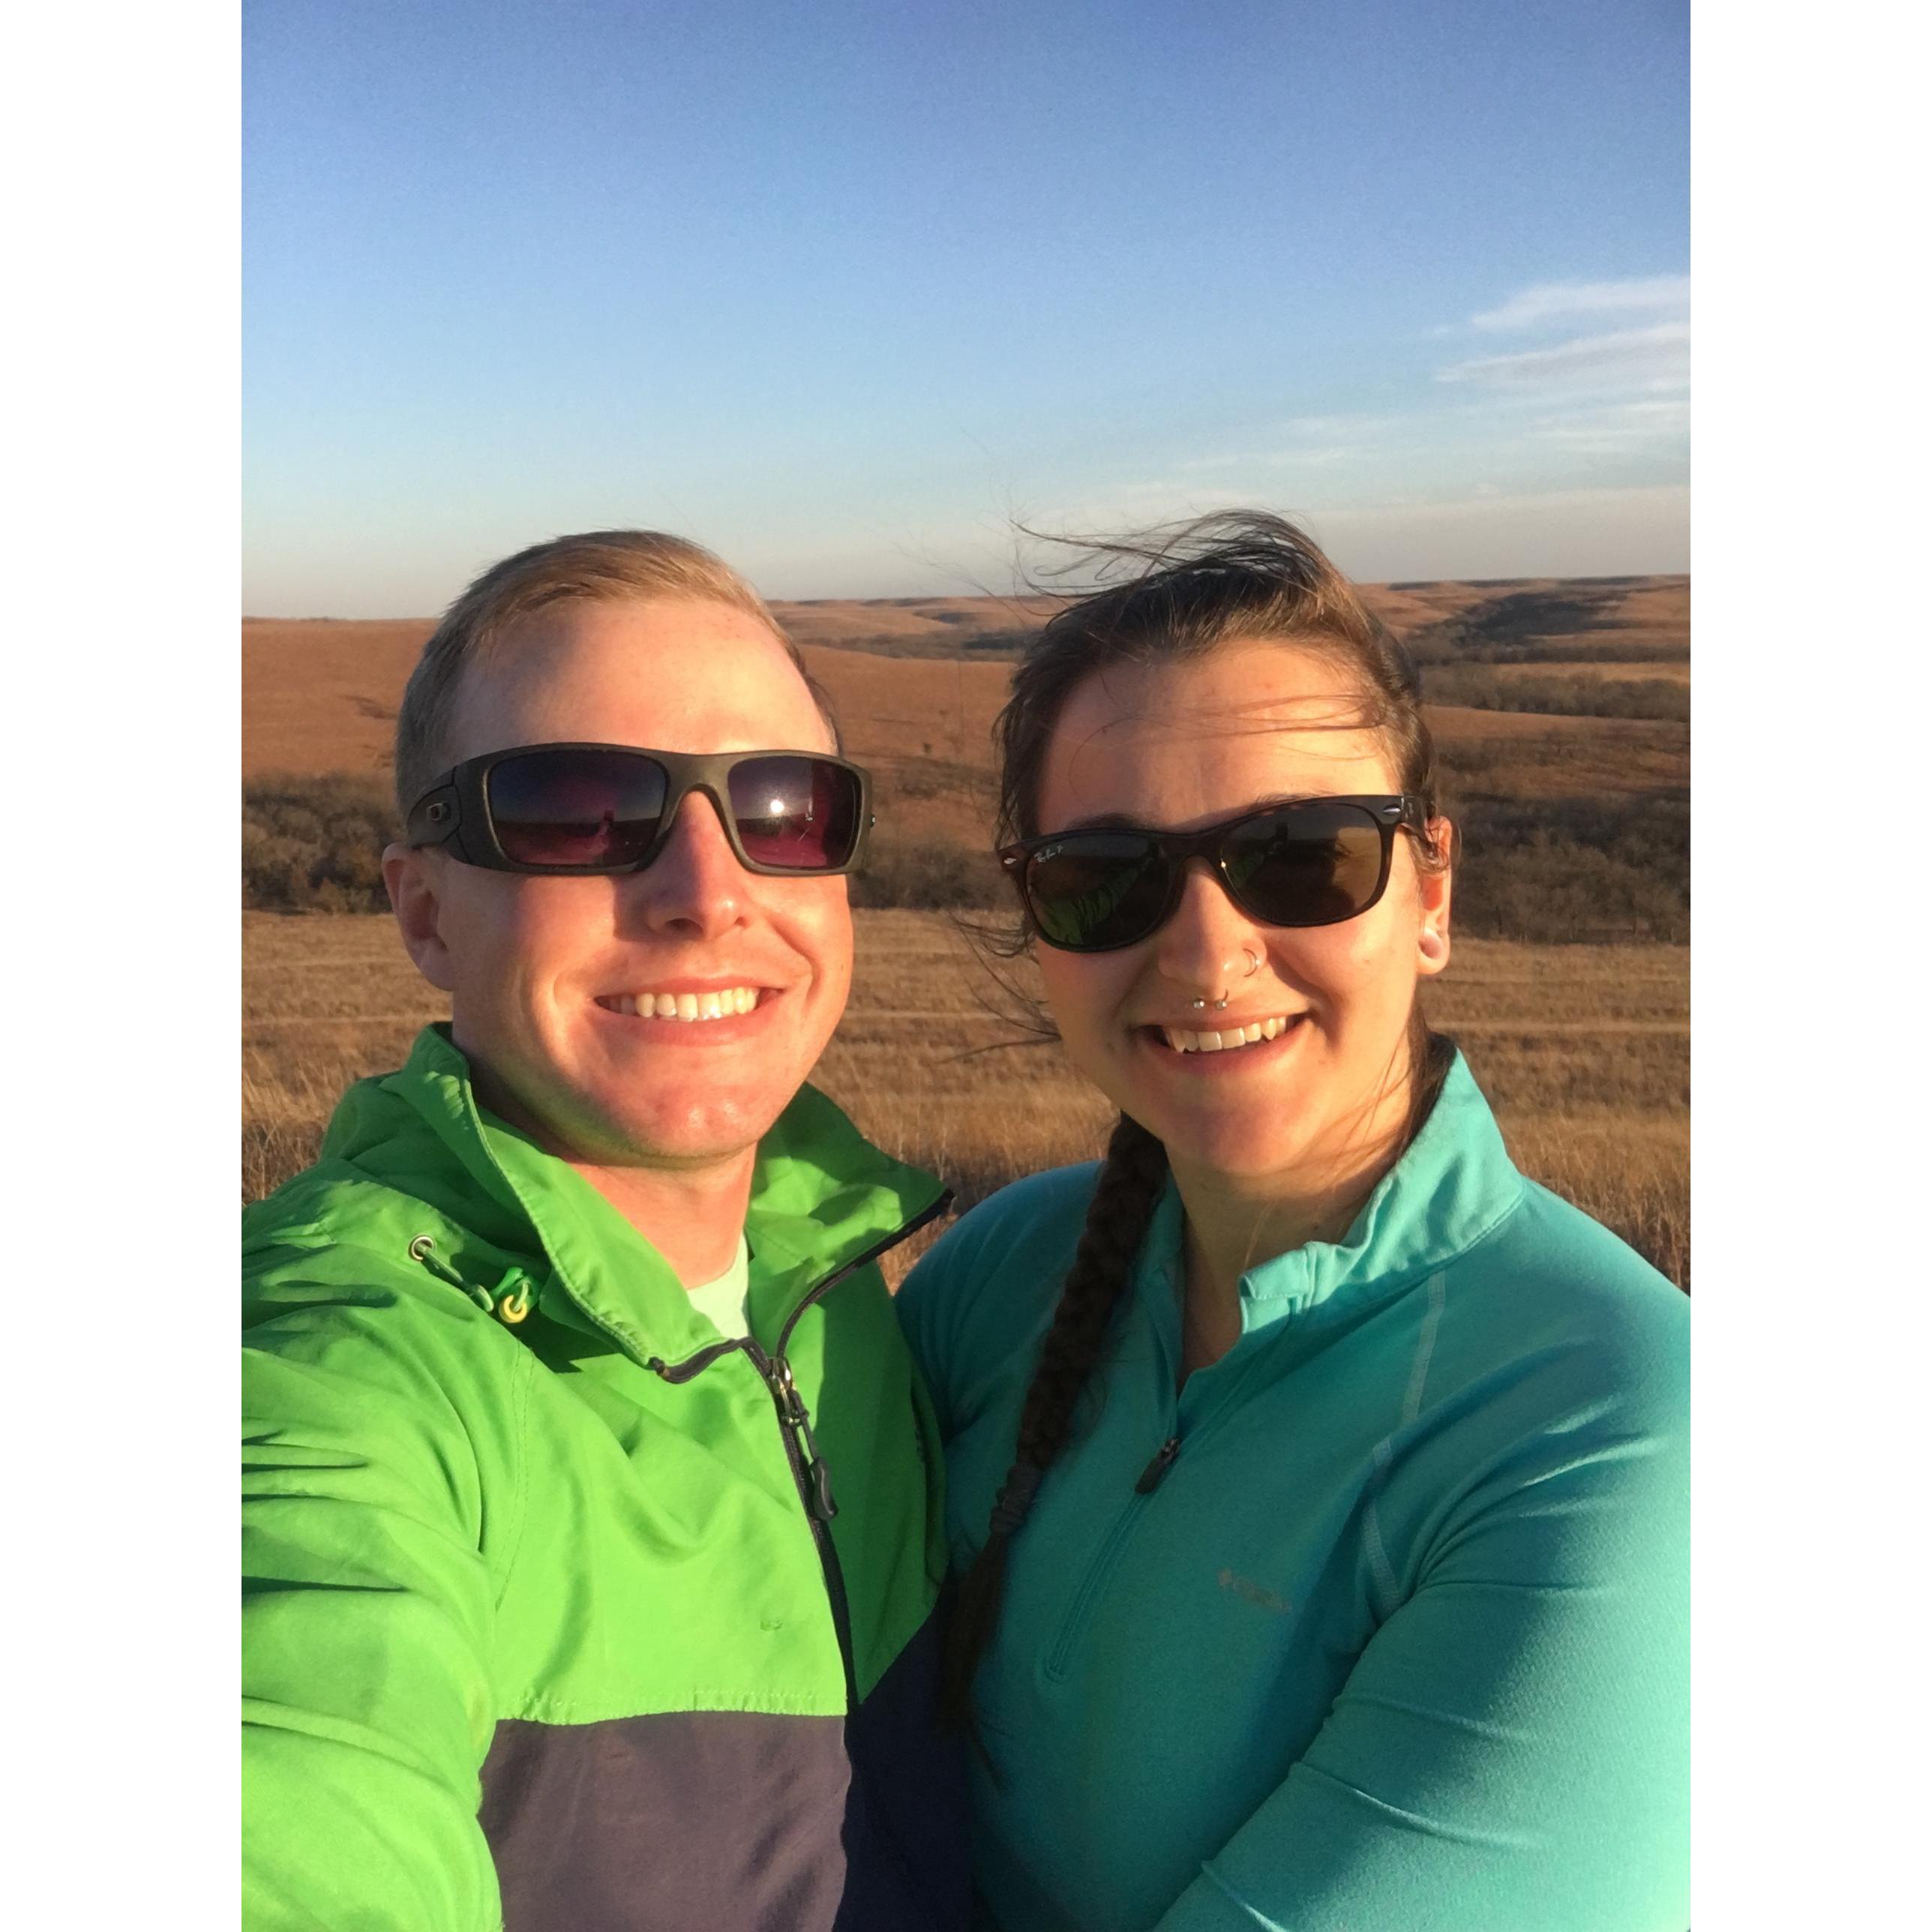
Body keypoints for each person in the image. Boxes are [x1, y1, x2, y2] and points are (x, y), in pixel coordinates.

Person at [896, 513, 1689, 1932]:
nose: (1206, 953)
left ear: (1431, 892)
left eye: (1302, 855)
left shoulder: (1616, 1428)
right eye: (1104, 876)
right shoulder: (1004, 1274)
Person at [243, 531, 967, 1932]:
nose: (708, 890)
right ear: (426, 912)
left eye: (784, 809)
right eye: (575, 810)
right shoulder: (328, 1373)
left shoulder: (849, 1289)